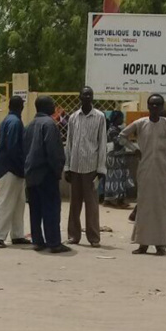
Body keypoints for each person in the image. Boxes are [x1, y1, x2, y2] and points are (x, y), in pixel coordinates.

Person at [120, 95, 166, 256]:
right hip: (145, 169)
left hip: (162, 169)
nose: (155, 107)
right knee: (143, 205)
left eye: (158, 104)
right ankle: (142, 243)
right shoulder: (140, 123)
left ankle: (160, 244)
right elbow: (122, 136)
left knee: (161, 206)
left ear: (162, 106)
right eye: (152, 104)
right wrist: (134, 148)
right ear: (148, 107)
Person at [24, 96, 71, 254]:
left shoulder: (30, 125)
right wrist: (58, 169)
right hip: (46, 173)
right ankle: (54, 243)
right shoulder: (50, 124)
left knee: (35, 210)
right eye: (52, 104)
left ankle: (38, 241)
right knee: (51, 208)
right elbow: (53, 151)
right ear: (46, 107)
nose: (55, 106)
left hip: (31, 173)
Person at [65, 87, 107, 246]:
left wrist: (101, 169)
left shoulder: (99, 117)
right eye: (84, 94)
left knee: (92, 205)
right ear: (79, 97)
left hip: (91, 168)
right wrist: (67, 166)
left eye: (89, 94)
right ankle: (73, 236)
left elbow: (102, 143)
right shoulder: (73, 117)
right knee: (74, 205)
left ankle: (94, 238)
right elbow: (69, 142)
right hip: (75, 166)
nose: (87, 97)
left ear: (93, 97)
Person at [0, 96, 30, 247]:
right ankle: (0, 236)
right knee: (7, 202)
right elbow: (14, 148)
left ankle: (17, 234)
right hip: (11, 168)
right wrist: (22, 168)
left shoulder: (7, 120)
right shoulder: (15, 122)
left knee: (18, 203)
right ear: (21, 107)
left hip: (10, 168)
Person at [103, 109, 135, 207]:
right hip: (115, 157)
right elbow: (119, 141)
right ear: (116, 119)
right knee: (118, 178)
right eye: (121, 118)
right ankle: (118, 200)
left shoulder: (113, 129)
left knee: (112, 178)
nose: (122, 119)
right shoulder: (114, 130)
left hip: (114, 156)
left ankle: (109, 200)